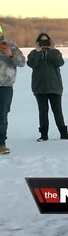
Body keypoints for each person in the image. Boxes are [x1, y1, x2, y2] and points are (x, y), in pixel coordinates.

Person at [27, 32, 68, 141]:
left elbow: (59, 63)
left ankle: (63, 133)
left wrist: (52, 50)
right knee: (43, 112)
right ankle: (44, 135)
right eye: (42, 41)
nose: (44, 43)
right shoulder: (33, 53)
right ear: (38, 42)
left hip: (54, 86)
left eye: (46, 40)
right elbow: (31, 64)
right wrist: (38, 52)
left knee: (57, 111)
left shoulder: (55, 53)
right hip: (40, 88)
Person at [0, 25, 26, 154]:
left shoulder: (10, 46)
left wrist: (10, 55)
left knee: (2, 115)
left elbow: (22, 62)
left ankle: (1, 144)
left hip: (5, 86)